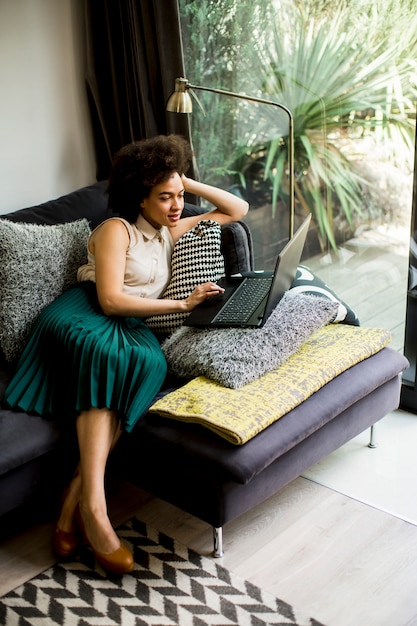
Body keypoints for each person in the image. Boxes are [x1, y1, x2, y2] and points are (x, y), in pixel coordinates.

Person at [2, 134, 248, 575]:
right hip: (83, 315)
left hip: (130, 329)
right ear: (139, 195)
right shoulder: (117, 231)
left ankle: (73, 496)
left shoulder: (171, 230)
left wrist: (183, 182)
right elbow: (111, 300)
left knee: (151, 362)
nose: (176, 206)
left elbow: (236, 211)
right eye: (164, 197)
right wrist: (183, 305)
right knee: (115, 357)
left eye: (179, 196)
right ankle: (96, 513)